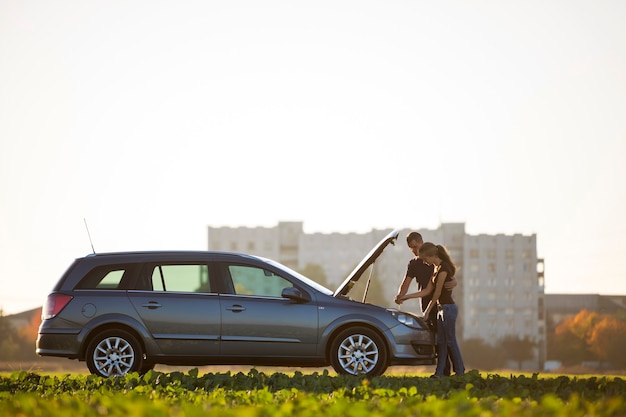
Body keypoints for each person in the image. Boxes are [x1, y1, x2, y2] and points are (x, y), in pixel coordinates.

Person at [396, 242, 465, 377]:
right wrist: (406, 297)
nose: (425, 262)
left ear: (432, 256)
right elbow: (427, 290)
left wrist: (427, 311)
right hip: (440, 309)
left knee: (450, 341)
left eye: (425, 259)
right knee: (441, 342)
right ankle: (439, 373)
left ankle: (460, 372)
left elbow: (437, 294)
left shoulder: (444, 268)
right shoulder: (436, 268)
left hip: (448, 309)